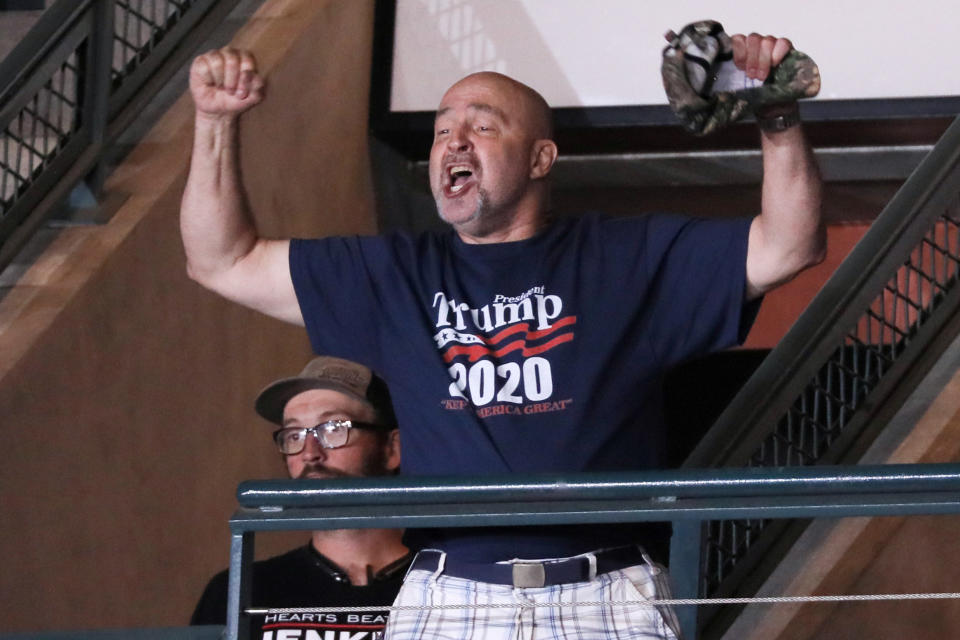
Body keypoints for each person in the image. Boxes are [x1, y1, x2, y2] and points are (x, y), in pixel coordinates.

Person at [181, 30, 824, 640]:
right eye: (440, 132)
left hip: (607, 591)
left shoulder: (626, 256)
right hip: (450, 593)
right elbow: (221, 261)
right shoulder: (395, 274)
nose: (454, 142)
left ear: (542, 157)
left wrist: (776, 116)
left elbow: (788, 245)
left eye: (482, 126)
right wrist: (214, 122)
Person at [190, 356, 409, 639]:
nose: (309, 452)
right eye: (294, 435)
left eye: (333, 429)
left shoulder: (452, 587)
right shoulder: (240, 590)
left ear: (392, 449)